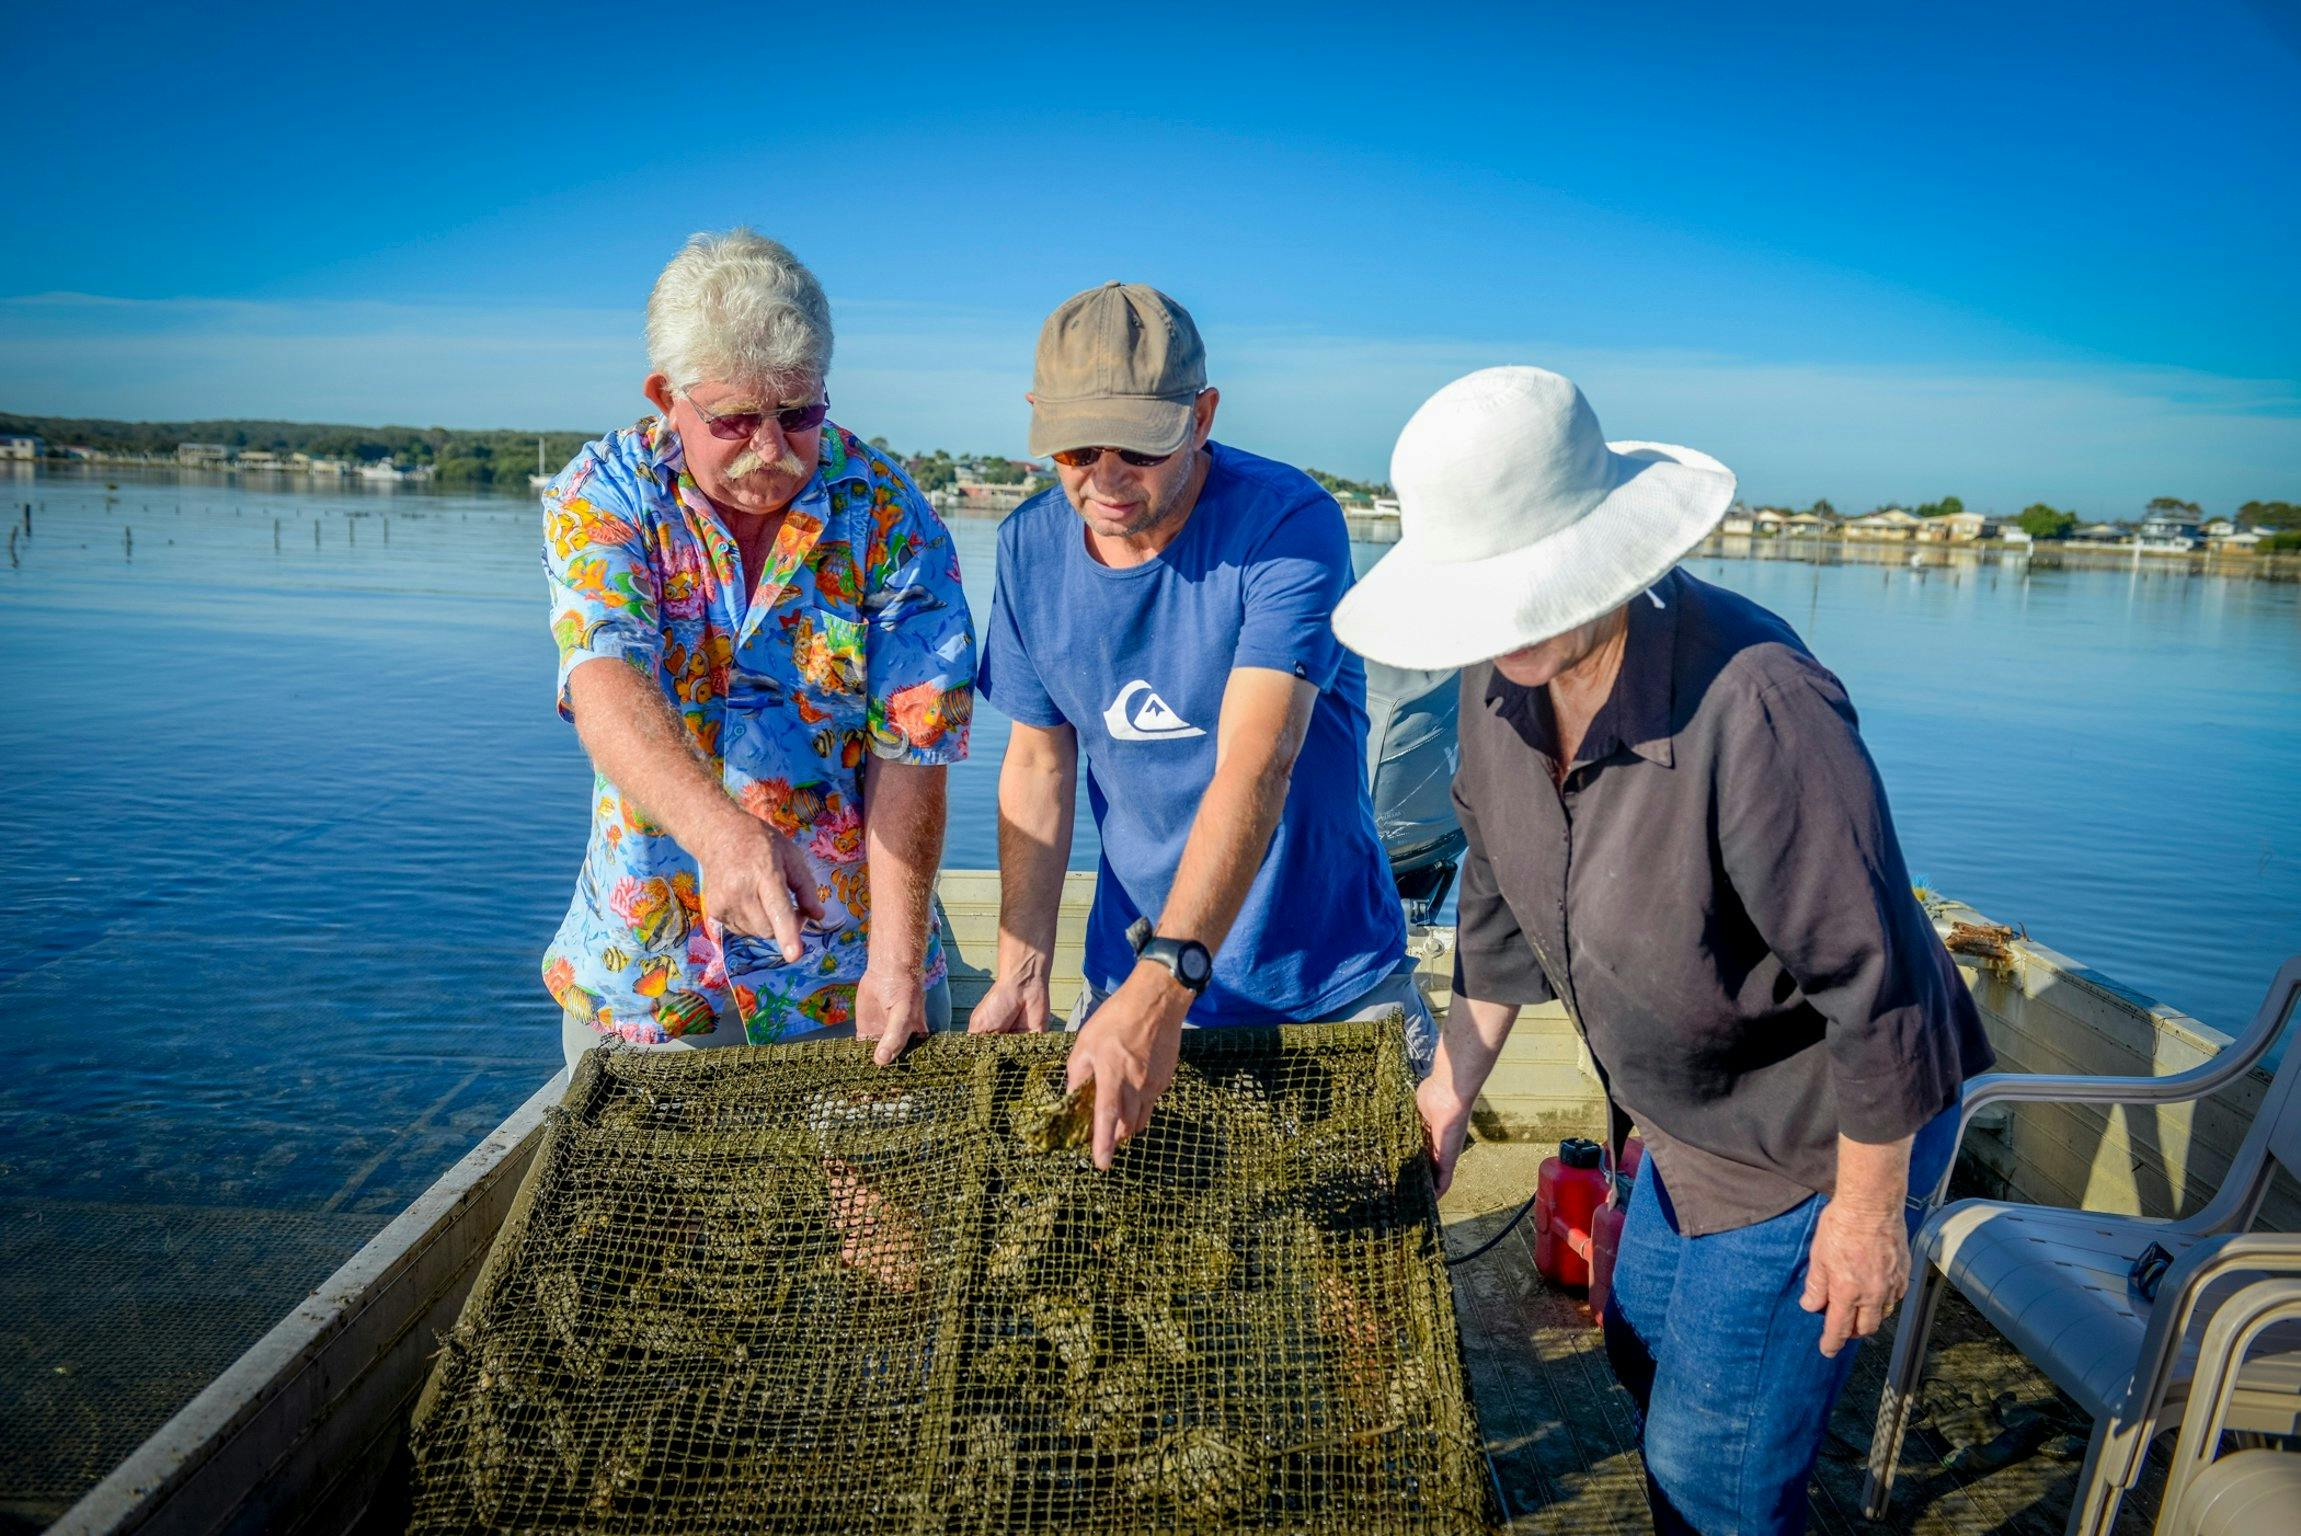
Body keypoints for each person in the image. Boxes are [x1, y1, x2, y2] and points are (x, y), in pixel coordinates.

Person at [1331, 366, 1995, 1536]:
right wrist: (1449, 1092)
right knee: (1638, 1348)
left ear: (1602, 550)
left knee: (1712, 1467)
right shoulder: (1496, 692)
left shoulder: (1760, 703)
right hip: (1679, 1123)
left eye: (1528, 588)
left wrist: (1864, 1212)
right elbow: (1494, 901)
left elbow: (1878, 985)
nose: (1507, 624)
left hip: (1814, 1135)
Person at [971, 281, 1434, 1169]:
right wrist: (1023, 965)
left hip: (1322, 981)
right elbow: (1036, 764)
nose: (1104, 480)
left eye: (1138, 447)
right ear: (1036, 420)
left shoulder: (1289, 525)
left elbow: (1256, 765)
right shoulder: (1029, 548)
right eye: (1075, 447)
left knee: (1361, 1290)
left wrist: (1167, 983)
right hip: (1125, 969)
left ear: (1202, 415)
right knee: (1121, 1266)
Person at [541, 229, 975, 1075]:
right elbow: (604, 682)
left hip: (853, 968)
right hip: (658, 976)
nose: (771, 451)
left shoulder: (887, 514)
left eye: (799, 414)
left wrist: (893, 960)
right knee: (653, 1213)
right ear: (667, 396)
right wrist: (723, 836)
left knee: (878, 1208)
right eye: (736, 421)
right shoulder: (602, 494)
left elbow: (915, 741)